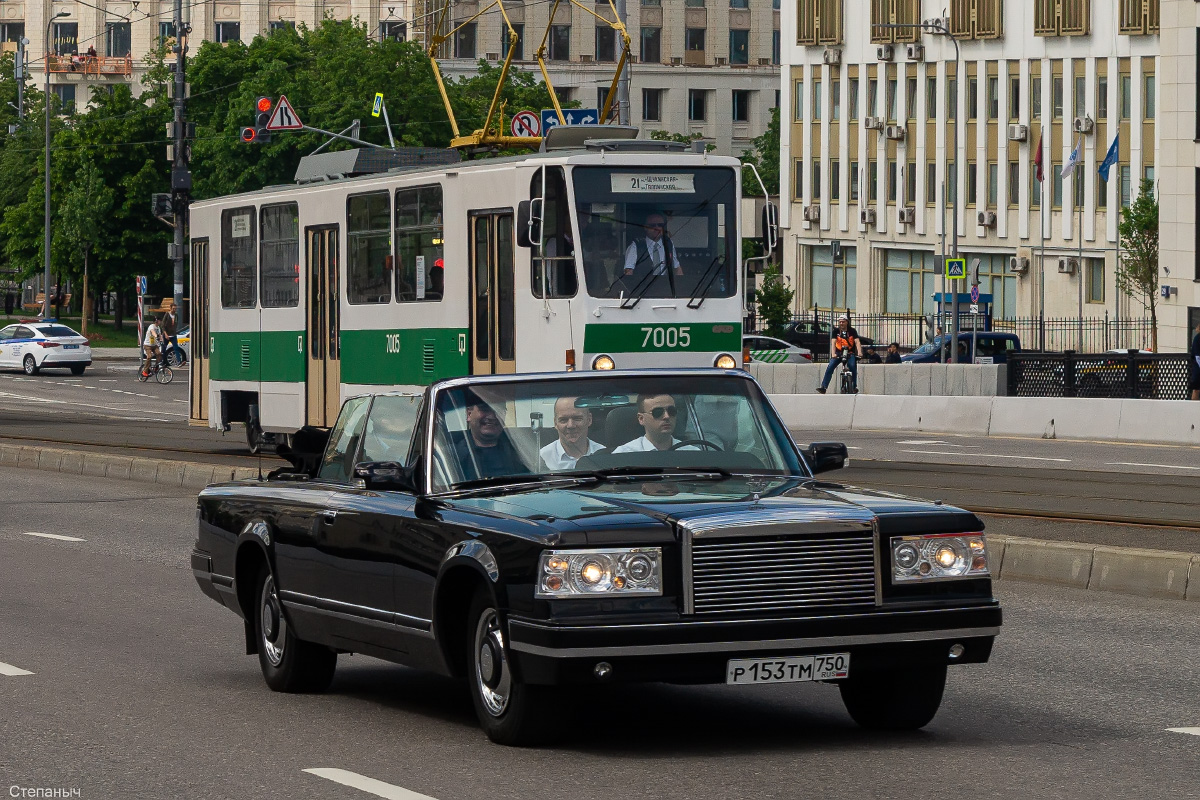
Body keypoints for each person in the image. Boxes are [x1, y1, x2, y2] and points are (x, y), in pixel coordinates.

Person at [452, 394, 529, 481]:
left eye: (498, 410)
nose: (492, 416)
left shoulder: (521, 451)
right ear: (469, 414)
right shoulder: (454, 456)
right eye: (485, 409)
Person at [613, 394, 696, 453]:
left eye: (671, 411)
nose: (666, 416)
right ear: (641, 419)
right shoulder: (624, 455)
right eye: (658, 412)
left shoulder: (692, 453)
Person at [539, 397, 604, 470]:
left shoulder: (605, 455)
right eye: (563, 420)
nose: (571, 425)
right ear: (555, 423)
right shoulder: (542, 458)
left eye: (577, 418)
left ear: (589, 420)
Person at [622, 212, 683, 283]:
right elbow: (628, 272)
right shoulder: (636, 245)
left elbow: (677, 268)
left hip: (666, 289)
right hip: (642, 289)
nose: (656, 228)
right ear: (645, 227)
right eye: (652, 225)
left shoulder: (668, 243)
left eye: (660, 225)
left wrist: (681, 286)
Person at [816, 315, 863, 394]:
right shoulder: (836, 331)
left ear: (847, 322)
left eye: (843, 322)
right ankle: (824, 387)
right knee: (830, 366)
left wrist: (859, 352)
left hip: (850, 353)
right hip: (838, 353)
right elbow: (833, 343)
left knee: (852, 366)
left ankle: (854, 387)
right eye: (840, 322)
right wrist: (833, 353)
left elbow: (857, 342)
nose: (841, 323)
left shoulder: (852, 331)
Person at [161, 301, 183, 365]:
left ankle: (179, 361)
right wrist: (165, 334)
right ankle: (162, 361)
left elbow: (176, 323)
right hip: (166, 335)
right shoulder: (167, 314)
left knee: (176, 348)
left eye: (175, 309)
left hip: (173, 335)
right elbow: (162, 325)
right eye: (173, 309)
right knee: (164, 349)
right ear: (170, 308)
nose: (174, 310)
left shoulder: (176, 315)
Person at [1190, 320, 1200, 401]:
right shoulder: (1197, 338)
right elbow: (1197, 356)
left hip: (1197, 368)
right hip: (1198, 368)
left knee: (1196, 389)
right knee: (1196, 389)